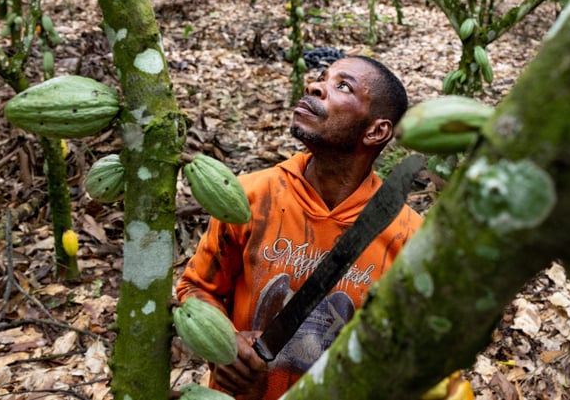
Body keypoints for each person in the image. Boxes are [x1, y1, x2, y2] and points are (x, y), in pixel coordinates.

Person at [176, 54, 423, 400]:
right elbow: (196, 288)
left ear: (376, 131)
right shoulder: (250, 198)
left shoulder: (409, 237)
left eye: (342, 86)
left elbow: (411, 353)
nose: (315, 86)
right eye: (322, 77)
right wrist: (224, 342)